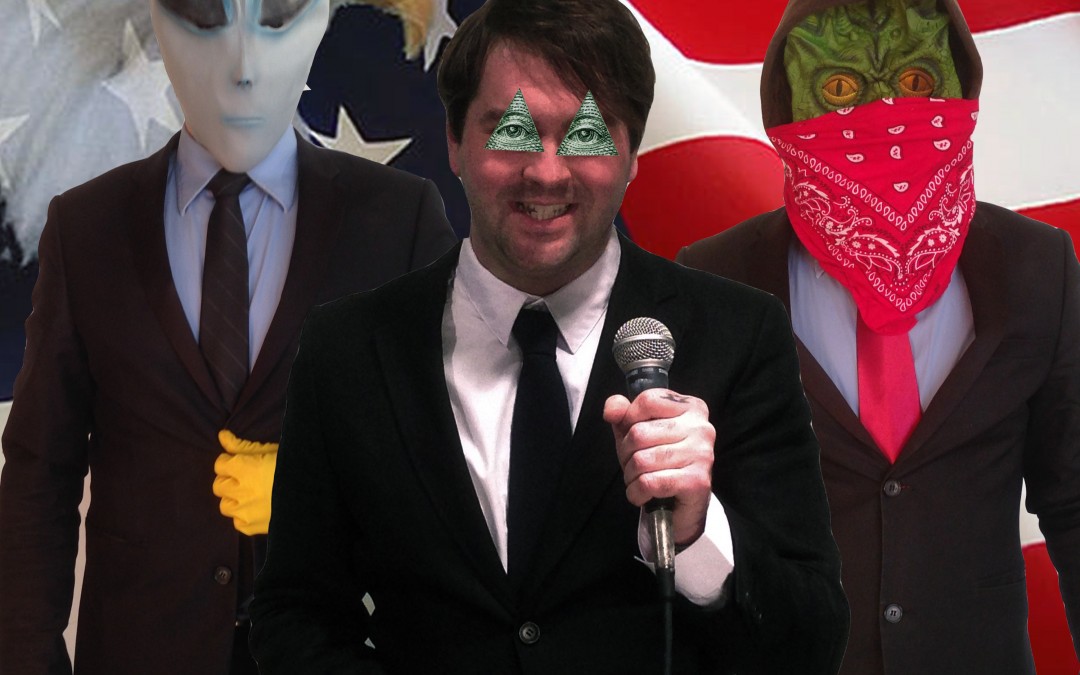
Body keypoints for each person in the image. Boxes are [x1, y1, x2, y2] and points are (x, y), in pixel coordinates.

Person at [248, 0, 849, 672]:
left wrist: (698, 534)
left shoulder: (740, 335)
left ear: (631, 152)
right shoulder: (347, 349)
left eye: (588, 134)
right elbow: (292, 619)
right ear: (455, 142)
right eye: (512, 130)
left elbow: (811, 642)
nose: (547, 171)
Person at [0, 0, 456, 672]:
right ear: (159, 25)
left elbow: (469, 455)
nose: (242, 66)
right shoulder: (84, 228)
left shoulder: (401, 220)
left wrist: (315, 491)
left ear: (322, 21)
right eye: (204, 20)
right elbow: (42, 470)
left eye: (278, 20)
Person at [677, 0, 1080, 672]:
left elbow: (1073, 500)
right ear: (786, 108)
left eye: (917, 82)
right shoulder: (715, 277)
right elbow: (691, 519)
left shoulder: (1036, 266)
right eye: (840, 88)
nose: (885, 112)